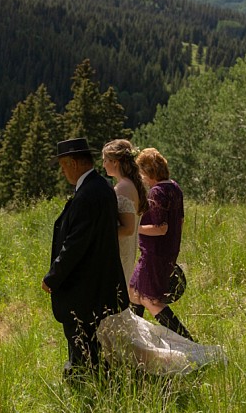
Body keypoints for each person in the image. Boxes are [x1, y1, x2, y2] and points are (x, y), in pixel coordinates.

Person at [42, 137, 129, 380]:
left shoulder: (88, 194)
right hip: (97, 280)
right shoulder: (100, 187)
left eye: (62, 166)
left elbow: (75, 245)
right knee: (90, 338)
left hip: (83, 285)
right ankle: (94, 377)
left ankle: (84, 381)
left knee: (80, 338)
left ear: (73, 163)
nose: (62, 172)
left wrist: (53, 277)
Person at [128, 147, 195, 341]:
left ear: (149, 172)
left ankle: (188, 342)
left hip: (154, 254)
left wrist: (135, 228)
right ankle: (134, 340)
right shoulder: (174, 187)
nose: (140, 177)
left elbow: (160, 227)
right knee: (134, 292)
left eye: (141, 172)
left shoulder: (156, 192)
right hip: (166, 252)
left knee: (152, 301)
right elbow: (179, 222)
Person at [101, 139, 148, 288]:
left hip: (121, 251)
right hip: (126, 250)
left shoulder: (123, 188)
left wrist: (100, 232)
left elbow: (128, 229)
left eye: (105, 160)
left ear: (115, 162)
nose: (103, 165)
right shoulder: (130, 184)